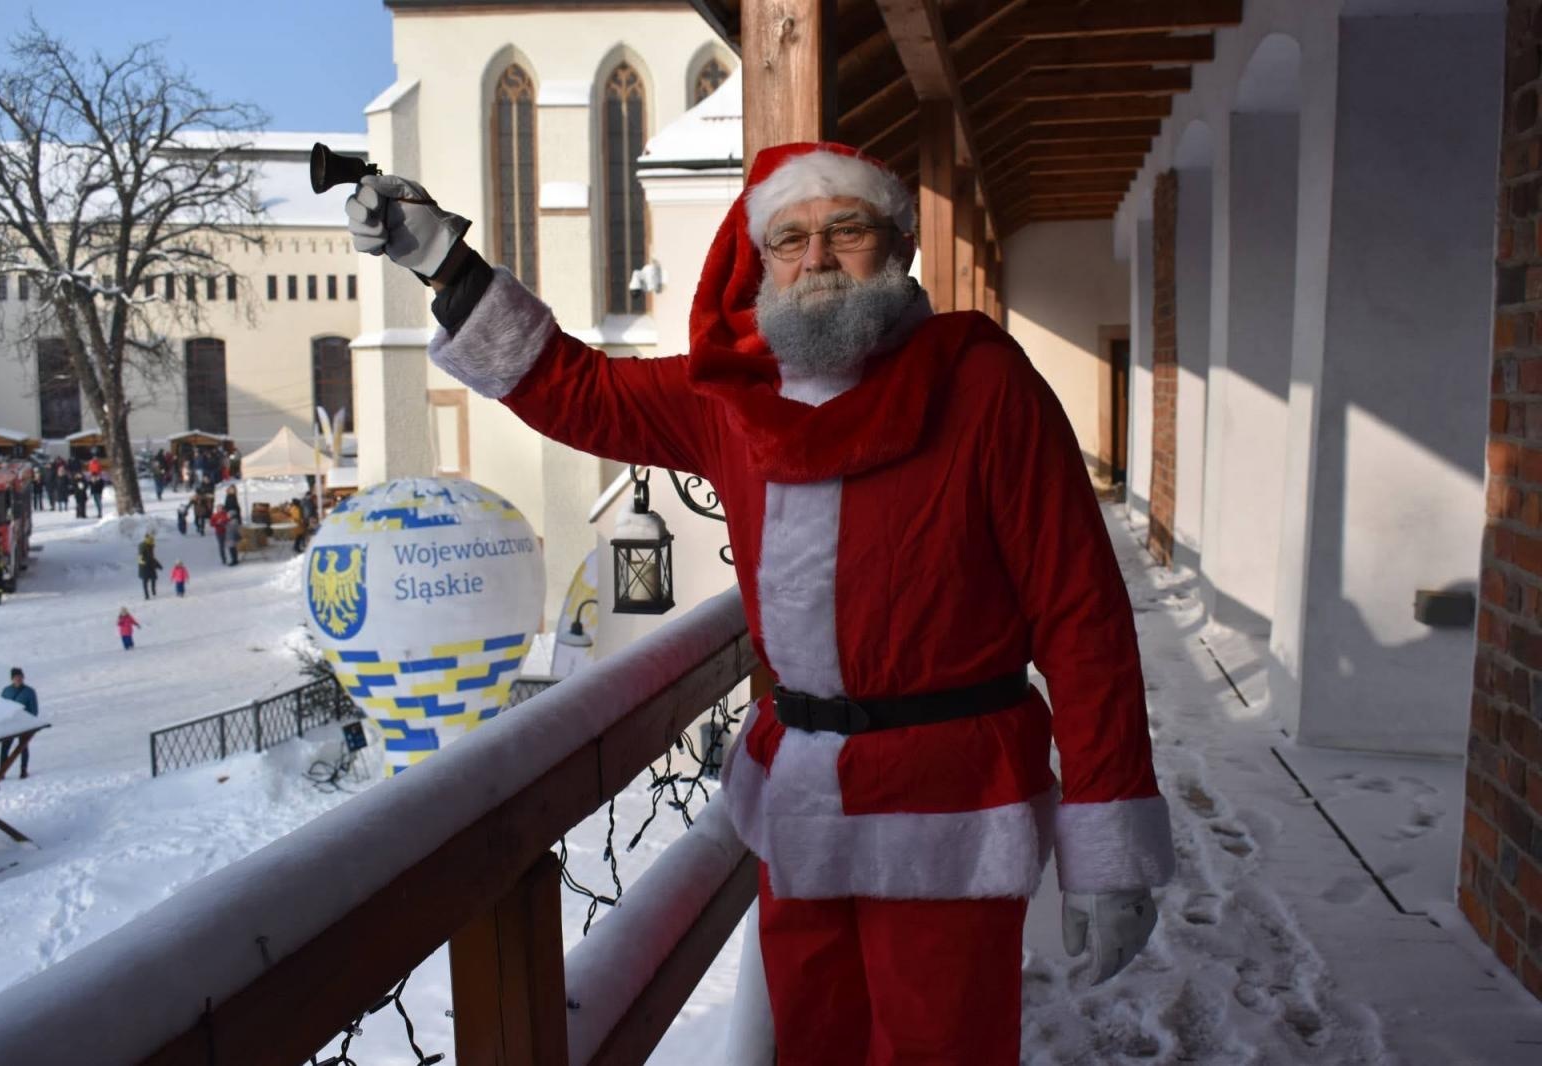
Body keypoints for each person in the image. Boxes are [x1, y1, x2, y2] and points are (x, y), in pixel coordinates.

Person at [347, 143, 1174, 1064]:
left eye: (846, 230)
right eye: (790, 238)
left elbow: (1082, 619)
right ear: (763, 260)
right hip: (801, 806)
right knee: (812, 1046)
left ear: (898, 247)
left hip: (951, 805)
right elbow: (578, 391)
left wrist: (1110, 843)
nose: (816, 257)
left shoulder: (985, 387)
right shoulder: (733, 397)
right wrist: (447, 267)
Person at [0, 668, 39, 778]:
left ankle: (23, 770)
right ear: (12, 679)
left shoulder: (29, 692)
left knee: (23, 747)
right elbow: (1, 707)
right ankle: (2, 772)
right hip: (9, 724)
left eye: (20, 677)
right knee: (4, 748)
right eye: (16, 677)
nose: (18, 679)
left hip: (24, 724)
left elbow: (34, 710)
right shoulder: (6, 691)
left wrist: (31, 723)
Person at [137, 532, 163, 600]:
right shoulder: (143, 547)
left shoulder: (150, 547)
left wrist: (158, 565)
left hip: (150, 567)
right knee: (145, 582)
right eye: (152, 541)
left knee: (153, 579)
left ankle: (153, 592)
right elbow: (140, 558)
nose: (153, 543)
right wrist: (145, 562)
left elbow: (152, 558)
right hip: (145, 568)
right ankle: (147, 595)